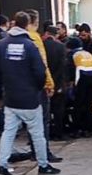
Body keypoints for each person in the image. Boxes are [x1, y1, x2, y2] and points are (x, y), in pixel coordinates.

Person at [0, 12, 60, 175]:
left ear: (14, 23)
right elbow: (40, 72)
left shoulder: (1, 46)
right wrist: (36, 89)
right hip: (29, 99)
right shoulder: (30, 45)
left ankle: (3, 165)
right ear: (27, 25)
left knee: (8, 133)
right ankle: (43, 165)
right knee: (37, 133)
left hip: (11, 99)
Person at [24, 9, 63, 164]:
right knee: (42, 121)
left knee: (29, 121)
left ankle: (34, 150)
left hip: (24, 87)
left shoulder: (19, 38)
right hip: (38, 87)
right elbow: (42, 64)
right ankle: (44, 152)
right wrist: (50, 84)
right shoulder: (35, 39)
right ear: (36, 21)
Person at [65, 37, 92, 136]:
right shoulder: (86, 53)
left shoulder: (72, 54)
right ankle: (88, 128)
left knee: (78, 105)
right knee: (89, 104)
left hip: (83, 78)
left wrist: (70, 85)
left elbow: (70, 71)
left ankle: (77, 129)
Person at [43, 25, 68, 141]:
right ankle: (59, 132)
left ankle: (46, 133)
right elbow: (63, 67)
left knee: (45, 111)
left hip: (45, 83)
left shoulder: (41, 46)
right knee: (59, 110)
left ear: (46, 34)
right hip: (58, 83)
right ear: (55, 35)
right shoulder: (61, 47)